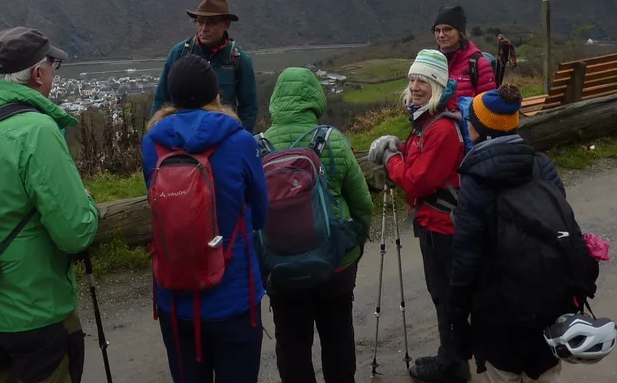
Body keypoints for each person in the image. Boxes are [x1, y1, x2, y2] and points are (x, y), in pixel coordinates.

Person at [0, 27, 100, 383]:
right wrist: (88, 208)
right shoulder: (35, 130)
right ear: (37, 73)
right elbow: (75, 234)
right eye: (52, 68)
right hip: (33, 309)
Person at [143, 55, 268, 383]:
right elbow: (261, 214)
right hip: (234, 297)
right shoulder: (239, 141)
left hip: (173, 295)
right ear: (215, 94)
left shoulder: (152, 145)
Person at [446, 85, 569, 382]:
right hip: (546, 302)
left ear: (480, 128)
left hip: (497, 312)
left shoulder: (475, 182)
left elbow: (465, 258)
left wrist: (458, 314)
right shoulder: (543, 166)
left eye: (470, 119)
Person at [261, 67, 373, 383]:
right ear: (314, 99)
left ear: (275, 102)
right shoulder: (332, 140)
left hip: (280, 266)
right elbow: (363, 203)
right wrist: (355, 244)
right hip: (335, 263)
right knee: (337, 334)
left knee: (291, 340)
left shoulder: (256, 147)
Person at [367, 49, 469, 383]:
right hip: (434, 221)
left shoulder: (440, 128)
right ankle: (451, 356)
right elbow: (416, 162)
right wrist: (398, 146)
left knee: (446, 294)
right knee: (442, 292)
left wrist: (390, 159)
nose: (415, 86)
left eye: (422, 80)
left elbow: (419, 179)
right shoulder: (428, 120)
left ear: (437, 85)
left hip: (442, 224)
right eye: (412, 79)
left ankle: (453, 364)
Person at [152, 0, 258, 132]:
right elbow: (161, 99)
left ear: (226, 25)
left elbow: (248, 107)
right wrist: (158, 132)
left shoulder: (238, 60)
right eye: (200, 22)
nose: (204, 28)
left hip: (222, 135)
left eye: (212, 23)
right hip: (181, 135)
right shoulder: (179, 54)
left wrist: (240, 137)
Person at [433, 5, 497, 99]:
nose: (441, 35)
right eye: (437, 30)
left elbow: (489, 105)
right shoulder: (432, 62)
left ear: (460, 32)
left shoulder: (478, 64)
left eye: (447, 29)